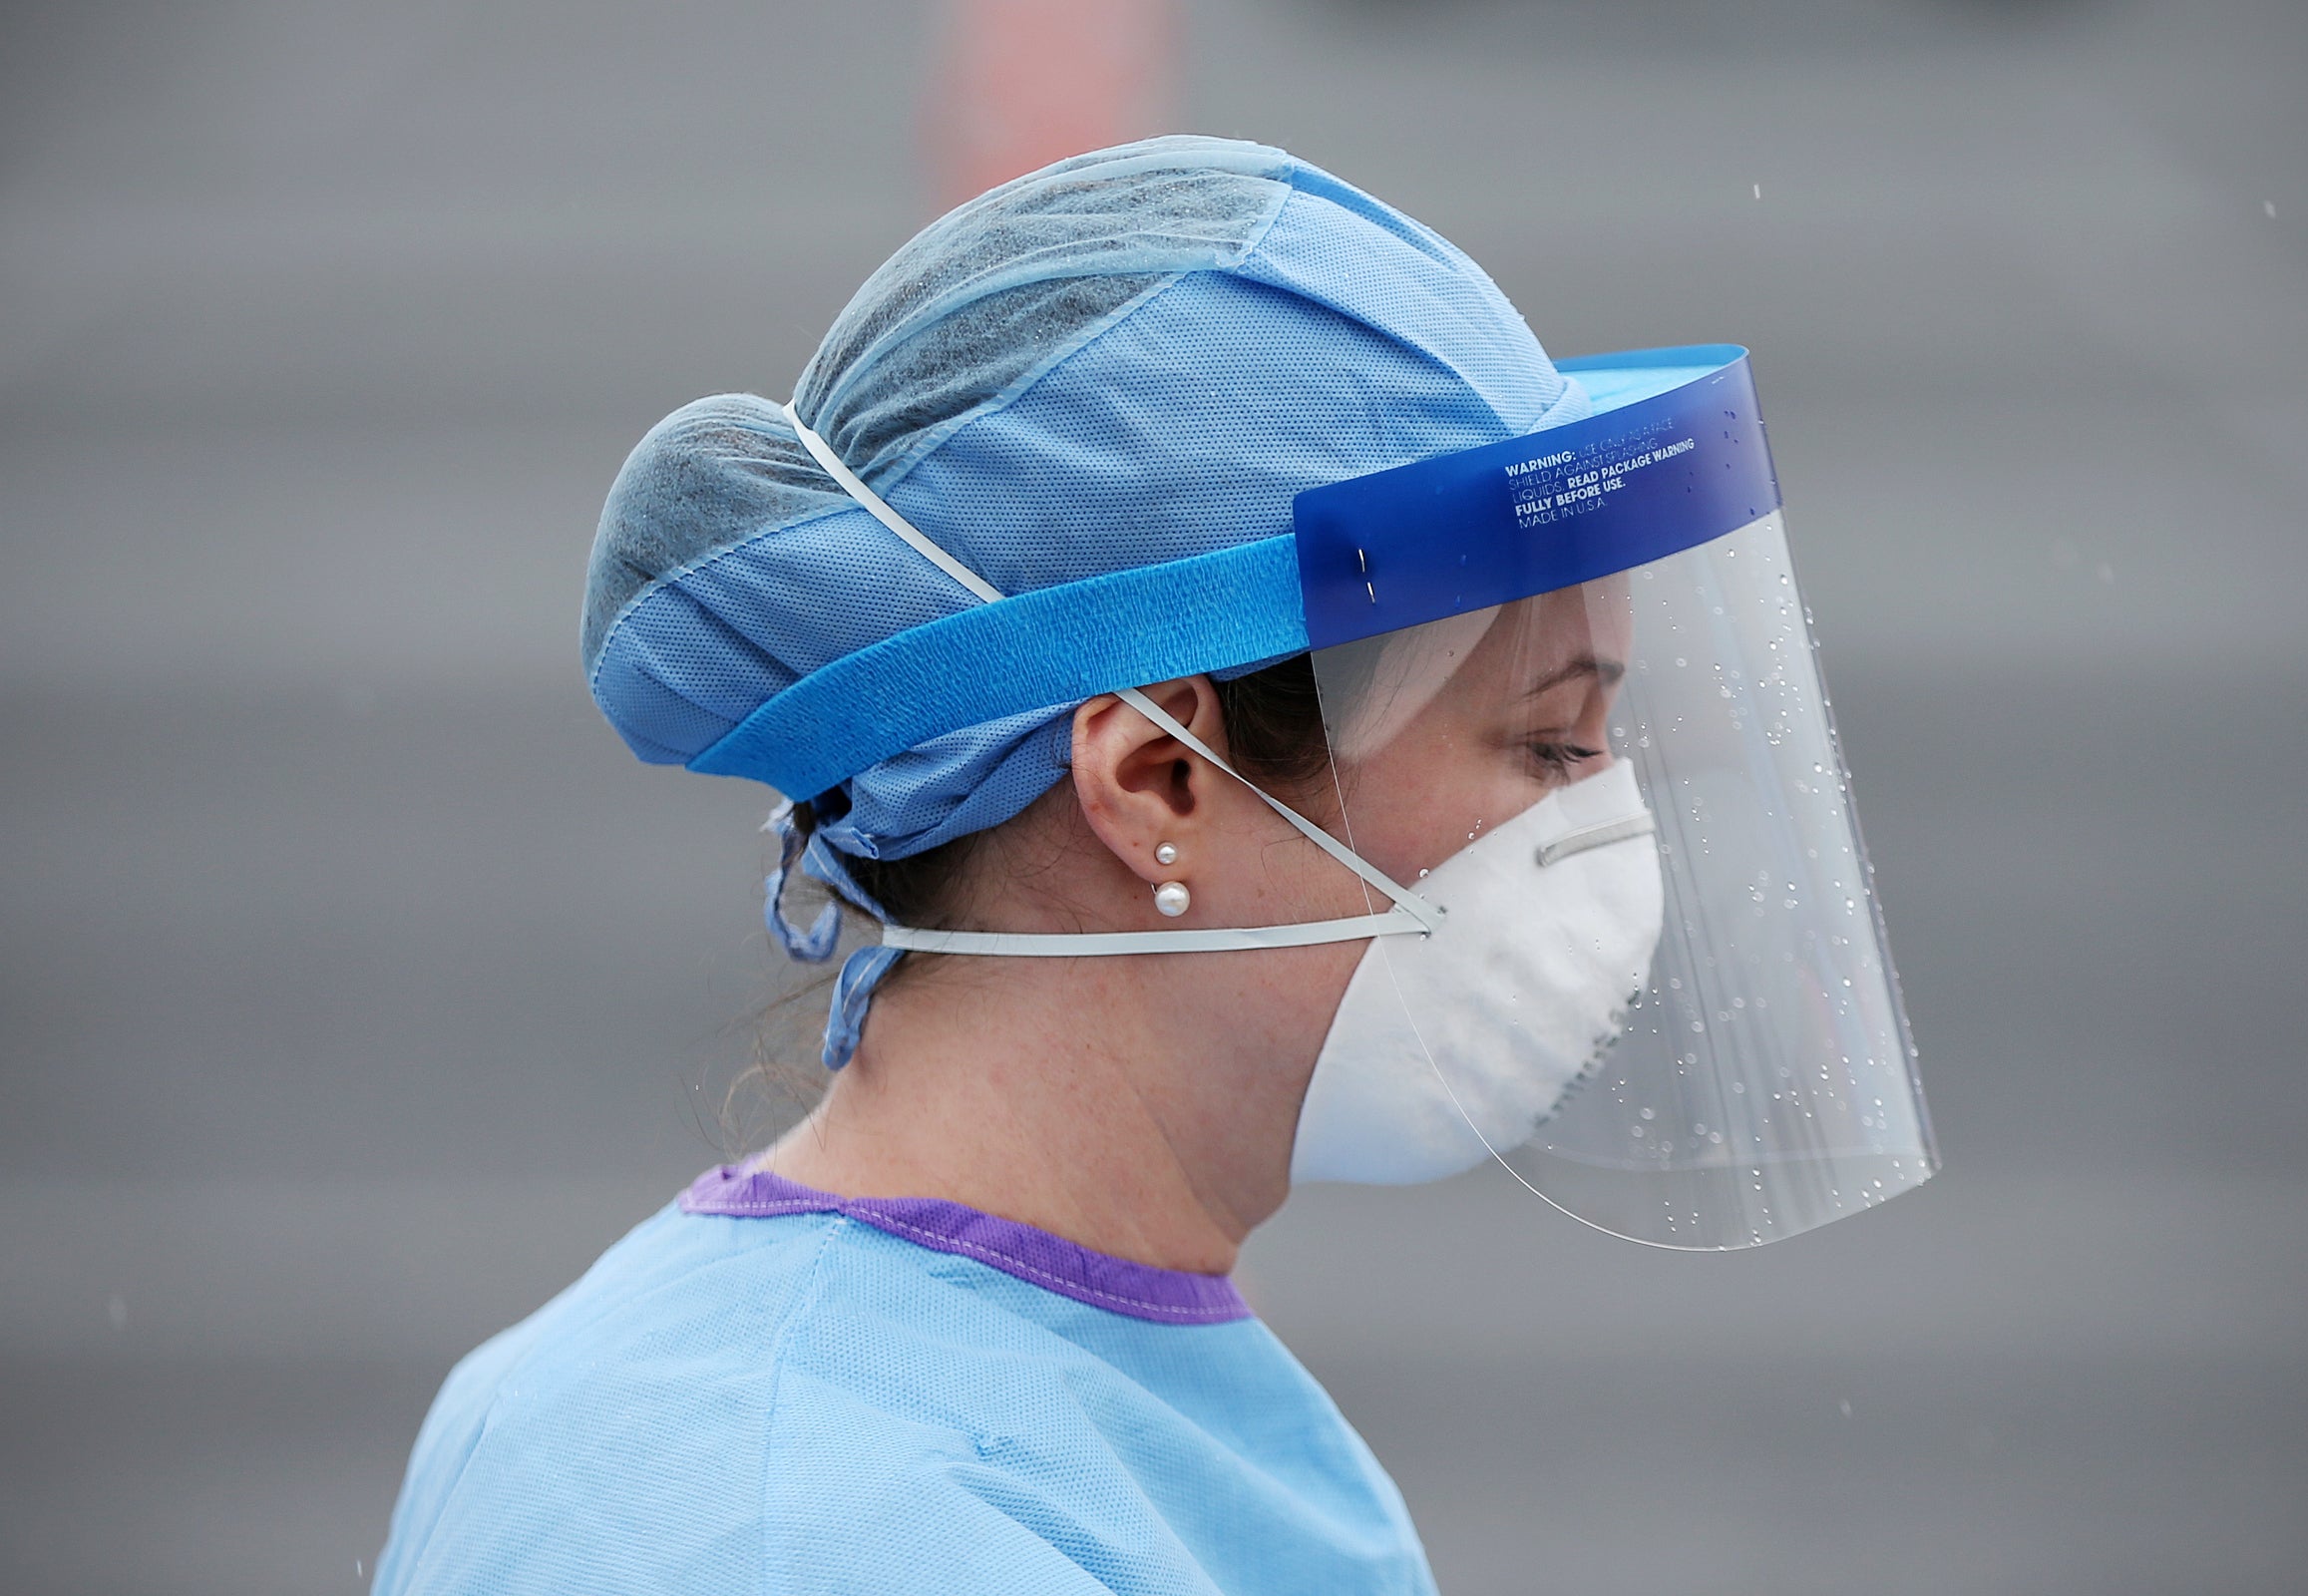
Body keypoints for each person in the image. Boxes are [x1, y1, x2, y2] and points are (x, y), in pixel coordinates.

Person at [375, 135, 1932, 1594]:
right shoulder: (809, 1537)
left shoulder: (1031, 1393)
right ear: (1158, 778)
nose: (1611, 828)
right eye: (1545, 746)